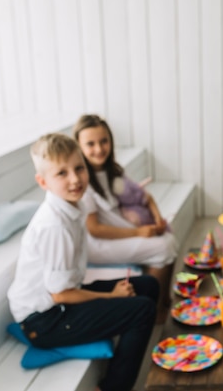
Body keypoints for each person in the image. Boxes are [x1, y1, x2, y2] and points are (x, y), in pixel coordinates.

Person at [7, 133, 159, 391]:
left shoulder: (71, 207)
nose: (75, 179)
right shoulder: (54, 225)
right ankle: (113, 387)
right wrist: (113, 296)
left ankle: (132, 347)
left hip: (61, 300)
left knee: (148, 285)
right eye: (61, 174)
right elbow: (60, 294)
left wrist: (114, 295)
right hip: (44, 321)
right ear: (43, 182)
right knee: (141, 309)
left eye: (79, 168)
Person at [73, 114, 178, 323]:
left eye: (104, 141)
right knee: (164, 246)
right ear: (79, 147)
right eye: (90, 144)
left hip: (118, 231)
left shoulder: (111, 170)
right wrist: (139, 232)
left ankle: (163, 299)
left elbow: (142, 196)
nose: (99, 148)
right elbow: (94, 228)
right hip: (98, 244)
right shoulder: (83, 182)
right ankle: (154, 310)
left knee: (167, 238)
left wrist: (154, 220)